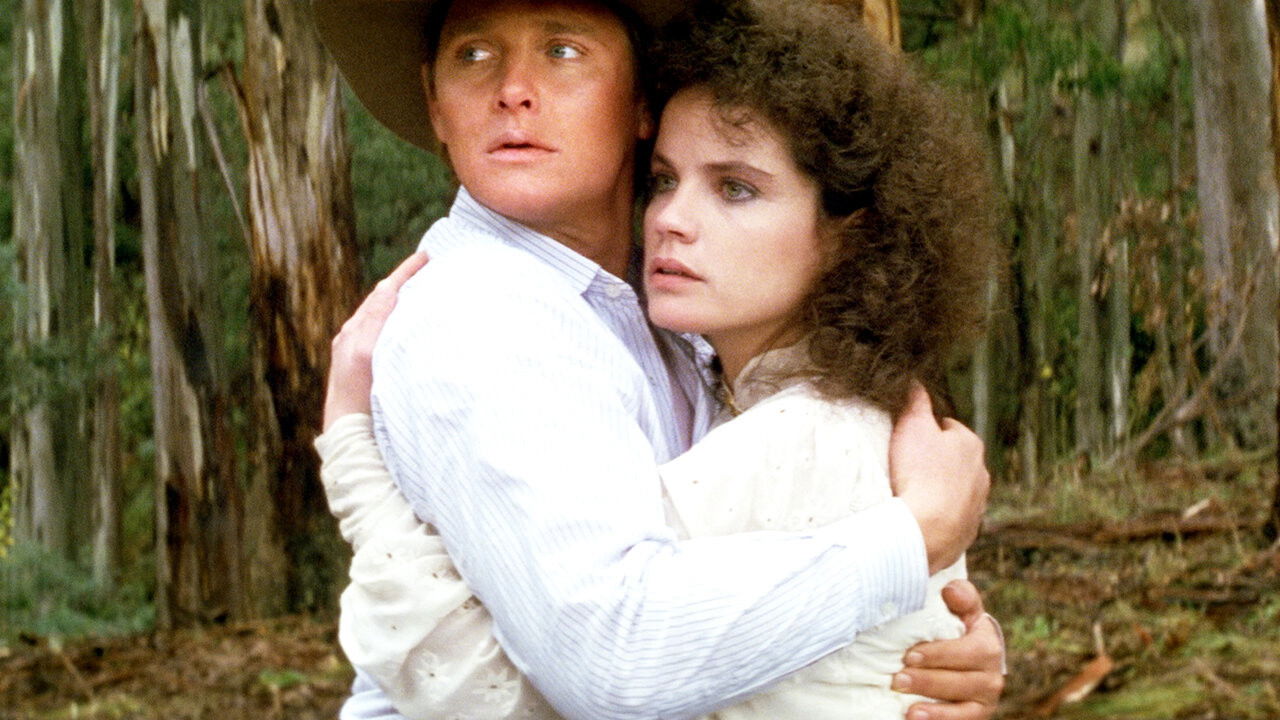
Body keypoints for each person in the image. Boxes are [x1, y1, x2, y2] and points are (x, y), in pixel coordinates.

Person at [313, 0, 1003, 718]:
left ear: (642, 99)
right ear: (435, 104)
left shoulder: (675, 306)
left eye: (562, 51)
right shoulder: (482, 315)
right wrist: (910, 542)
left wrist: (916, 647)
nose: (513, 91)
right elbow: (613, 661)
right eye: (474, 55)